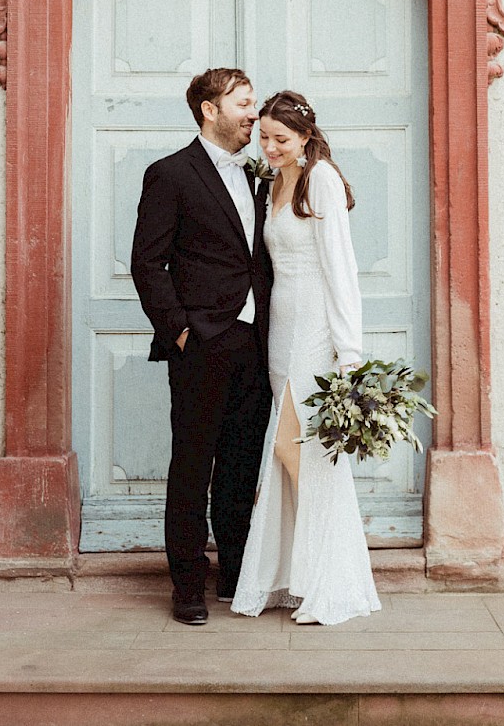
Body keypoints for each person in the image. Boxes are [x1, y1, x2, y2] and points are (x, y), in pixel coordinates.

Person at [231, 90, 381, 626]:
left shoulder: (321, 179)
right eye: (264, 137)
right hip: (281, 330)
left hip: (315, 328)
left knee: (299, 453)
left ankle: (326, 580)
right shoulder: (273, 179)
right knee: (293, 454)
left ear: (306, 137)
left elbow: (341, 269)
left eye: (281, 139)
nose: (269, 147)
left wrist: (349, 353)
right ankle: (301, 573)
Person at [130, 67, 273, 626]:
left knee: (241, 465)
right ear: (210, 109)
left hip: (255, 341)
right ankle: (187, 583)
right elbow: (147, 262)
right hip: (201, 342)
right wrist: (179, 329)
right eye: (243, 102)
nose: (253, 113)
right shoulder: (170, 174)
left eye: (254, 102)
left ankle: (234, 573)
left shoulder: (261, 176)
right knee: (192, 466)